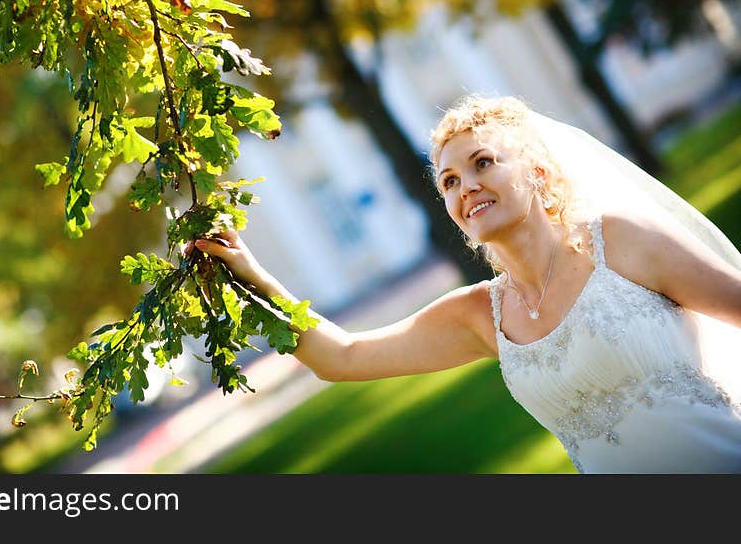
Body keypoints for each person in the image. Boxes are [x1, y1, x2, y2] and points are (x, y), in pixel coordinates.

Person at [189, 94, 741, 473]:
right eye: (450, 180)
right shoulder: (481, 316)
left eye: (483, 164)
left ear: (537, 174)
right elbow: (343, 357)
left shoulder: (620, 241)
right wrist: (250, 275)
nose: (466, 187)